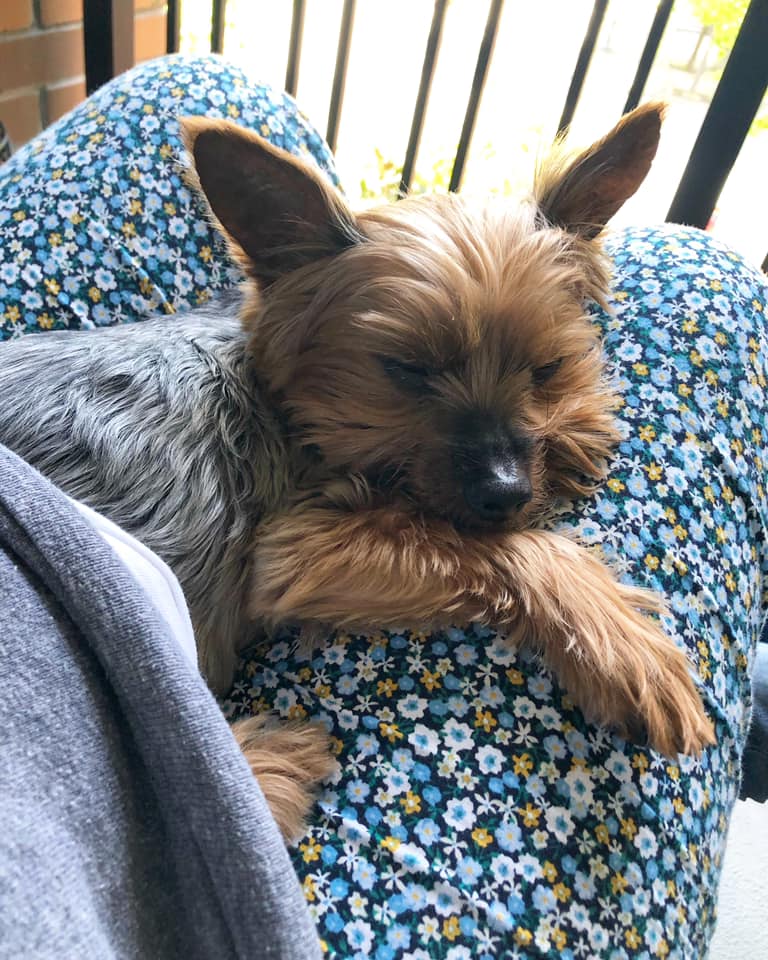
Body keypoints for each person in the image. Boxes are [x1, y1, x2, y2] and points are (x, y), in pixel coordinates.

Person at [1, 54, 766, 959]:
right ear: (283, 278)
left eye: (545, 372)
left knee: (192, 83)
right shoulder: (285, 389)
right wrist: (535, 572)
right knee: (707, 283)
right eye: (412, 375)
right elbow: (305, 562)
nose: (507, 480)